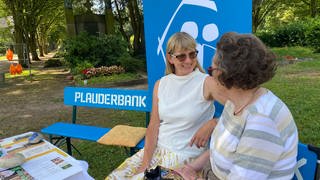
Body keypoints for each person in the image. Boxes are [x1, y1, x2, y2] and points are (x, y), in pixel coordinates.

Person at [176, 32, 298, 180]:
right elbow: (220, 149)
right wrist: (192, 168)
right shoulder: (235, 102)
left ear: (224, 76)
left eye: (211, 70)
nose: (209, 77)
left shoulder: (261, 122)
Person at [107, 32, 217, 179]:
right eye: (181, 56)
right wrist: (145, 163)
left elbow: (238, 111)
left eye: (192, 54)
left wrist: (214, 122)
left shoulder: (206, 82)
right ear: (171, 58)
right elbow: (153, 125)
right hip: (157, 150)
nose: (189, 60)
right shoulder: (161, 84)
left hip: (186, 157)